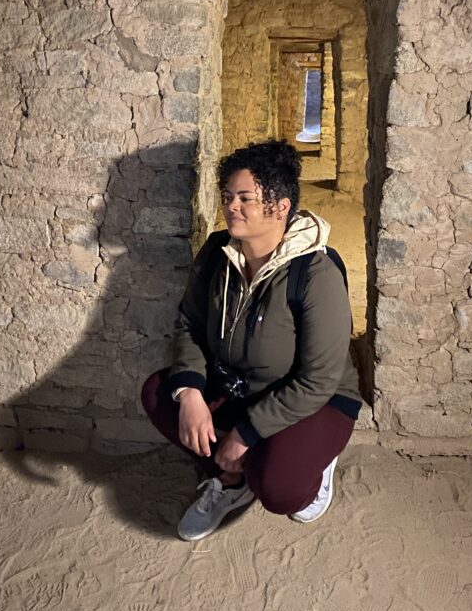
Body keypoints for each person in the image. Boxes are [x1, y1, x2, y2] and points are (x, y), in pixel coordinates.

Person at [141, 139, 362, 541]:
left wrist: (244, 434)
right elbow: (189, 323)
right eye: (228, 196)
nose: (231, 207)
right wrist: (190, 391)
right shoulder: (216, 254)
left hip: (313, 400)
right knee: (160, 392)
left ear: (280, 207)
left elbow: (318, 380)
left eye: (245, 198)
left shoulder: (315, 273)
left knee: (280, 490)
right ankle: (229, 480)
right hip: (239, 386)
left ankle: (314, 460)